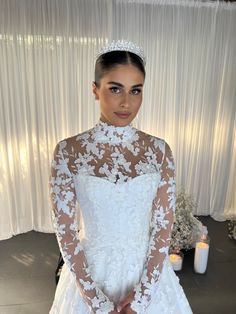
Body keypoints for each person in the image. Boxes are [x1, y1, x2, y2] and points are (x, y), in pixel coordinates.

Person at [49, 40, 193, 314]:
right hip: (90, 276)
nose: (126, 102)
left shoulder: (159, 151)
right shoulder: (68, 151)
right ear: (95, 90)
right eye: (115, 89)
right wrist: (97, 302)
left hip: (148, 276)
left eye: (135, 90)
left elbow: (163, 228)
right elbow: (65, 232)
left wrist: (141, 297)